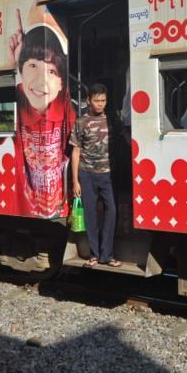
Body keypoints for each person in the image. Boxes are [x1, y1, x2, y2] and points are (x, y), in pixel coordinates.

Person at [8, 0, 76, 218]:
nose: (41, 81)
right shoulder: (20, 99)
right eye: (32, 65)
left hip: (56, 200)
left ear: (62, 82)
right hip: (32, 203)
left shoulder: (65, 106)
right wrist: (17, 62)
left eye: (52, 71)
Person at [71, 83, 121, 268]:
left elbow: (125, 139)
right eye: (97, 101)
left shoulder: (113, 120)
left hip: (108, 174)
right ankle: (94, 254)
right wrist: (75, 181)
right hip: (87, 173)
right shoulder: (81, 122)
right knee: (90, 214)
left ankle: (107, 255)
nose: (100, 104)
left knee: (112, 211)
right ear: (88, 101)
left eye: (103, 101)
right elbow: (75, 151)